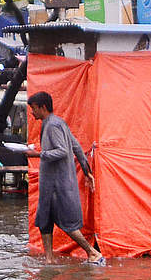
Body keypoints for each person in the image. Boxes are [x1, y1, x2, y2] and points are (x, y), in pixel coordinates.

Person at [24, 90, 104, 264]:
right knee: (44, 220)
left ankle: (92, 252)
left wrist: (38, 154)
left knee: (66, 223)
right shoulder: (58, 123)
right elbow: (76, 146)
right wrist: (87, 170)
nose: (32, 112)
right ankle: (49, 258)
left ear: (43, 107)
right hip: (50, 184)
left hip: (56, 185)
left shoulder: (52, 125)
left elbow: (62, 151)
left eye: (34, 108)